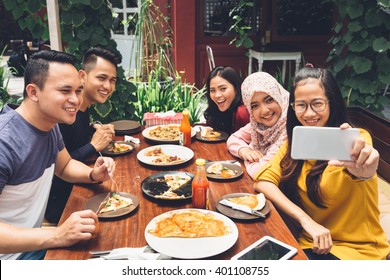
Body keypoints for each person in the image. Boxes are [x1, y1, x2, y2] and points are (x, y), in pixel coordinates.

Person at [253, 65, 390, 260]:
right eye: (301, 105)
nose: (308, 114)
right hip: (311, 242)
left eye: (317, 103)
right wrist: (305, 220)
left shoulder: (356, 140)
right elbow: (263, 182)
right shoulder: (294, 144)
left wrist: (365, 173)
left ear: (332, 103)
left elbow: (362, 168)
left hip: (356, 251)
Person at [0, 50, 115, 260]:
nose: (76, 100)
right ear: (33, 92)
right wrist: (57, 234)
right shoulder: (4, 142)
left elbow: (64, 166)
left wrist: (92, 174)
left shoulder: (50, 123)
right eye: (65, 91)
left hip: (35, 242)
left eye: (78, 91)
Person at [45, 47, 119, 224]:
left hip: (82, 188)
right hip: (64, 207)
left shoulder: (82, 109)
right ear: (83, 76)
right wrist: (93, 146)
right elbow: (59, 169)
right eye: (101, 78)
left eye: (112, 80)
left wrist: (95, 127)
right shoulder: (64, 114)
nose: (108, 86)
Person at [227, 72, 289, 179]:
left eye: (269, 100)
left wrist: (249, 159)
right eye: (254, 106)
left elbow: (260, 171)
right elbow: (233, 139)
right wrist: (244, 151)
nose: (264, 111)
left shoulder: (289, 127)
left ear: (278, 96)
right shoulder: (258, 125)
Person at [204, 66, 249, 134]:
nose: (217, 95)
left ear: (236, 89)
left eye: (223, 89)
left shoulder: (242, 112)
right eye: (212, 90)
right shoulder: (215, 109)